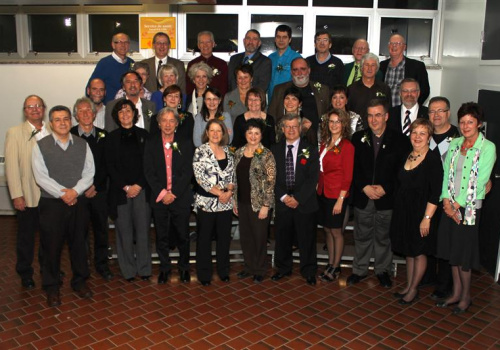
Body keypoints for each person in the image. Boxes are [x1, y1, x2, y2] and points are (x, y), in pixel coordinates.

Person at [436, 102, 496, 314]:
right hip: (449, 206)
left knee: (464, 255)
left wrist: (456, 205)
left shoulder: (487, 148)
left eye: (470, 122)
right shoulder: (454, 143)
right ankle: (455, 293)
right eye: (462, 122)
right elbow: (446, 174)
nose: (465, 126)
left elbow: (479, 182)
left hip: (469, 208)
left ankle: (466, 296)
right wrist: (445, 200)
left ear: (479, 124)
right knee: (452, 251)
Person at [32, 105, 95, 307]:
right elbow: (41, 177)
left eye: (66, 119)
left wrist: (75, 192)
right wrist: (64, 194)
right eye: (58, 119)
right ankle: (51, 287)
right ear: (51, 124)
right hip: (52, 204)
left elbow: (89, 173)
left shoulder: (82, 144)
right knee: (51, 246)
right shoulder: (40, 146)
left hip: (78, 202)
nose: (62, 123)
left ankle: (79, 282)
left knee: (79, 244)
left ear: (71, 121)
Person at [347, 99, 410, 288]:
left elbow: (403, 170)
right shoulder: (358, 138)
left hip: (386, 198)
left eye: (378, 115)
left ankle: (382, 271)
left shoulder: (400, 140)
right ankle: (359, 270)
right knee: (362, 235)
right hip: (363, 196)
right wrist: (363, 186)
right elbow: (353, 168)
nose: (374, 120)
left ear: (386, 116)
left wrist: (386, 187)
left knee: (384, 237)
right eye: (370, 115)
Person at [390, 119, 443, 305]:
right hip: (405, 212)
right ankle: (408, 285)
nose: (417, 137)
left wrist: (427, 219)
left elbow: (436, 192)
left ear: (429, 137)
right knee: (409, 250)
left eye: (422, 133)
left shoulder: (433, 160)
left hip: (422, 213)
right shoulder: (407, 155)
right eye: (414, 133)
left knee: (419, 251)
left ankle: (413, 290)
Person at [144, 108, 194, 285]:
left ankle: (184, 268)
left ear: (176, 123)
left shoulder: (186, 142)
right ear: (158, 124)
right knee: (162, 236)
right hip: (159, 198)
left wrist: (174, 193)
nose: (167, 124)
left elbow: (188, 170)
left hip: (180, 197)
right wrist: (163, 193)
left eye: (171, 120)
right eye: (163, 120)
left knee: (183, 236)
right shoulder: (150, 143)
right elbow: (148, 171)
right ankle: (164, 269)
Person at [5, 95, 51, 290]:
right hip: (27, 194)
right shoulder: (15, 133)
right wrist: (16, 194)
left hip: (50, 195)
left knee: (50, 235)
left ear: (44, 109)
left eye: (38, 106)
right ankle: (25, 272)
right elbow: (11, 167)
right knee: (26, 237)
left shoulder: (53, 129)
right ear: (25, 111)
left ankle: (48, 268)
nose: (34, 109)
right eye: (30, 107)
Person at [270, 114, 320, 286]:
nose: (291, 130)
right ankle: (283, 268)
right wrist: (284, 197)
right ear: (282, 129)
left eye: (294, 127)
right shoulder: (274, 150)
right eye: (287, 127)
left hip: (304, 202)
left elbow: (313, 178)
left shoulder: (311, 149)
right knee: (282, 238)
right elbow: (271, 178)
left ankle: (309, 271)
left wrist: (297, 198)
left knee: (307, 239)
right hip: (283, 201)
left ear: (300, 128)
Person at [105, 99, 152, 282]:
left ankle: (144, 268)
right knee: (123, 231)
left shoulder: (144, 135)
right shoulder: (111, 138)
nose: (125, 115)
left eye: (128, 111)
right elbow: (110, 166)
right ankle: (128, 270)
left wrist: (138, 185)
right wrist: (125, 187)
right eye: (121, 112)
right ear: (117, 116)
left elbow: (148, 164)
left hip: (141, 190)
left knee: (143, 231)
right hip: (120, 192)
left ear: (135, 113)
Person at [70, 97, 113, 281]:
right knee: (79, 230)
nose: (86, 113)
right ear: (76, 115)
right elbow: (69, 165)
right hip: (78, 192)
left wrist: (95, 185)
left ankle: (102, 264)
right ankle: (82, 265)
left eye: (89, 110)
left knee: (101, 230)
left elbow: (107, 164)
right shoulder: (70, 134)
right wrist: (82, 187)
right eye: (82, 111)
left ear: (95, 114)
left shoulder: (104, 135)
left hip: (99, 191)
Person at [233, 119, 276, 283]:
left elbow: (271, 182)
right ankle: (249, 267)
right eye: (250, 132)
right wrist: (235, 202)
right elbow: (235, 179)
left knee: (259, 237)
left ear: (261, 135)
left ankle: (260, 269)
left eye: (256, 133)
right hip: (242, 202)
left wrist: (266, 205)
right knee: (246, 237)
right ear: (245, 134)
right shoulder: (238, 153)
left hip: (259, 204)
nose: (253, 136)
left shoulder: (266, 155)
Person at [192, 119, 235, 286]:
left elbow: (232, 176)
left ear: (223, 133)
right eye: (212, 130)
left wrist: (229, 192)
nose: (216, 134)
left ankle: (223, 271)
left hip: (226, 203)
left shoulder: (228, 151)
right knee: (204, 239)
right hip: (207, 202)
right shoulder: (200, 152)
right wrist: (220, 193)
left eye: (219, 130)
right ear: (207, 133)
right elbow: (200, 178)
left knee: (224, 239)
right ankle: (204, 273)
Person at [317, 109, 354, 281]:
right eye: (331, 121)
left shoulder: (347, 146)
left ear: (344, 124)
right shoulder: (325, 143)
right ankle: (331, 263)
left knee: (336, 231)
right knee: (327, 229)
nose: (334, 125)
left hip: (337, 195)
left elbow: (347, 176)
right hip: (323, 192)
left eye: (337, 121)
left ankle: (336, 266)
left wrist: (340, 200)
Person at [268, 58, 330, 139]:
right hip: (285, 139)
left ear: (309, 70)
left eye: (303, 69)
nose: (299, 73)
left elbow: (328, 116)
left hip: (315, 139)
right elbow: (271, 118)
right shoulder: (279, 90)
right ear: (291, 72)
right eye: (295, 70)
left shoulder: (323, 90)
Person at [379, 33, 430, 106]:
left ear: (404, 47)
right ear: (388, 46)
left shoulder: (417, 66)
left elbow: (425, 91)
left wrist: (412, 108)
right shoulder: (382, 66)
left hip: (406, 112)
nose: (394, 46)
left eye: (398, 43)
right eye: (391, 43)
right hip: (386, 113)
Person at [347, 53, 392, 128]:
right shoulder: (351, 89)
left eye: (373, 65)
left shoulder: (385, 89)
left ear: (377, 68)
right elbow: (347, 113)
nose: (369, 68)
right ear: (361, 68)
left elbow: (388, 112)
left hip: (378, 131)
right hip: (357, 131)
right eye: (366, 65)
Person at [87, 33, 134, 104]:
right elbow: (91, 87)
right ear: (113, 45)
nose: (123, 45)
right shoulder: (104, 63)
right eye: (119, 42)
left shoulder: (131, 63)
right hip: (109, 108)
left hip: (127, 107)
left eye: (126, 42)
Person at [186, 31, 228, 97]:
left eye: (208, 42)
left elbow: (224, 89)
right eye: (202, 42)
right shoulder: (192, 64)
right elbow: (189, 88)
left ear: (213, 44)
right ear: (198, 45)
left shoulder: (222, 64)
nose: (205, 45)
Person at [268, 24, 302, 102]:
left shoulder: (296, 58)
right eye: (278, 37)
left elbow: (300, 82)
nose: (281, 40)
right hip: (271, 101)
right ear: (275, 39)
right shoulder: (270, 58)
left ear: (290, 40)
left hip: (289, 102)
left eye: (284, 37)